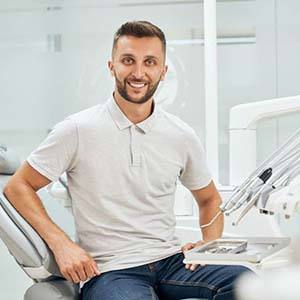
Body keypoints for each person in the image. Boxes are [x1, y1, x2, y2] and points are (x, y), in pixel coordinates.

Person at [4, 21, 249, 300]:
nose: (139, 72)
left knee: (247, 285)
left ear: (163, 71)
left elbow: (209, 199)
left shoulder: (181, 134)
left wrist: (208, 245)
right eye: (128, 60)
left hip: (171, 262)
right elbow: (18, 187)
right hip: (111, 270)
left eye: (150, 62)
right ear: (112, 66)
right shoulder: (77, 129)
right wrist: (62, 244)